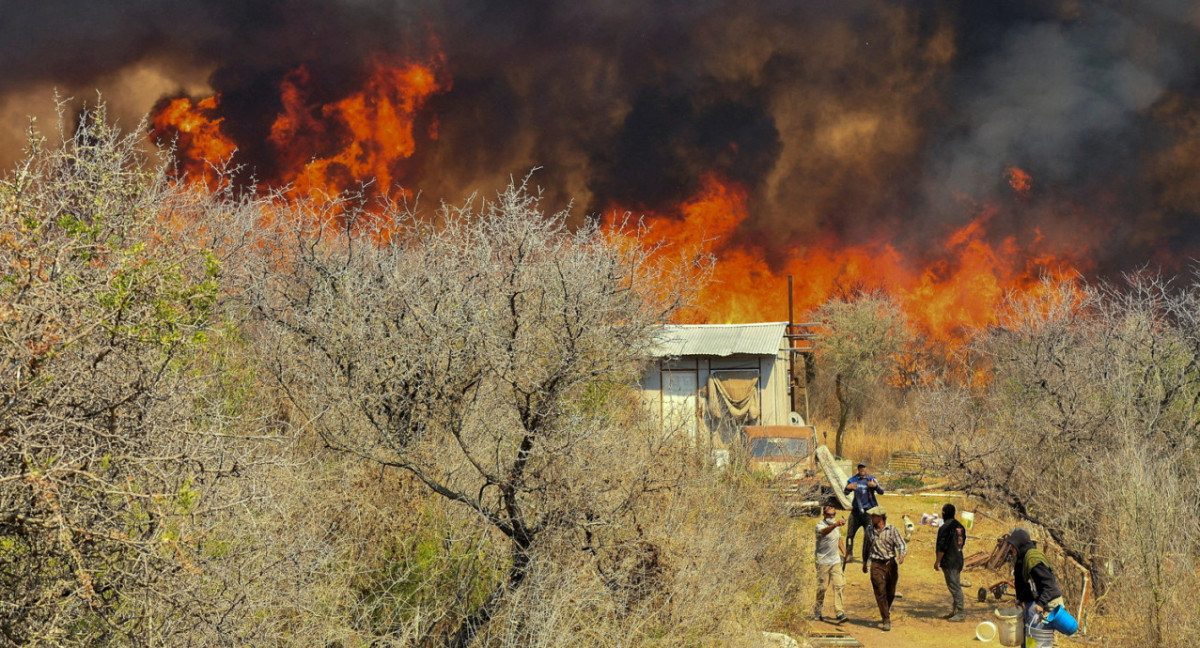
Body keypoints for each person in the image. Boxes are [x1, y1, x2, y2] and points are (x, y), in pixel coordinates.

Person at [1006, 528, 1065, 628]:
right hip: (1042, 601)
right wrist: (1021, 598)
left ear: (1020, 544)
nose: (1010, 548)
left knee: (1041, 639)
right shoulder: (1024, 558)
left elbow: (1050, 586)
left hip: (1050, 603)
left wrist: (1041, 604)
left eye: (1013, 545)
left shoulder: (1034, 560)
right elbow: (1029, 584)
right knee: (1032, 637)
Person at [863, 505, 906, 632]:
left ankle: (885, 609)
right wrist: (865, 562)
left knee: (890, 592)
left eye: (873, 516)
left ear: (880, 517)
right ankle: (886, 619)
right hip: (876, 564)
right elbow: (866, 547)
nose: (871, 518)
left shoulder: (892, 530)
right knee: (880, 591)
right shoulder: (869, 530)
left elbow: (901, 544)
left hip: (890, 564)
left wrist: (901, 554)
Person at [813, 504, 848, 623]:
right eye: (829, 515)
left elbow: (839, 539)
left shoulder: (836, 526)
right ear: (824, 515)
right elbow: (824, 532)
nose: (832, 517)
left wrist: (844, 552)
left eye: (833, 515)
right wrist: (835, 524)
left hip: (835, 561)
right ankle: (818, 611)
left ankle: (840, 612)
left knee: (839, 585)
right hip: (823, 561)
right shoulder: (820, 526)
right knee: (822, 587)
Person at [844, 462, 884, 562]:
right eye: (860, 467)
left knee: (869, 536)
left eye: (864, 467)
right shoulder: (853, 480)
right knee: (850, 534)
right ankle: (849, 554)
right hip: (856, 512)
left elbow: (881, 492)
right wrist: (847, 488)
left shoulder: (871, 479)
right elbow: (845, 492)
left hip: (869, 513)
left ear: (866, 469)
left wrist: (875, 486)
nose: (862, 469)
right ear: (858, 469)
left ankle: (868, 557)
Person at [934, 503, 967, 621]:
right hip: (958, 559)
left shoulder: (945, 528)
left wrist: (937, 561)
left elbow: (942, 547)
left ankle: (960, 613)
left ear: (943, 514)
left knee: (955, 587)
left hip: (949, 561)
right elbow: (962, 543)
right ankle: (955, 611)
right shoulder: (960, 527)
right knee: (955, 585)